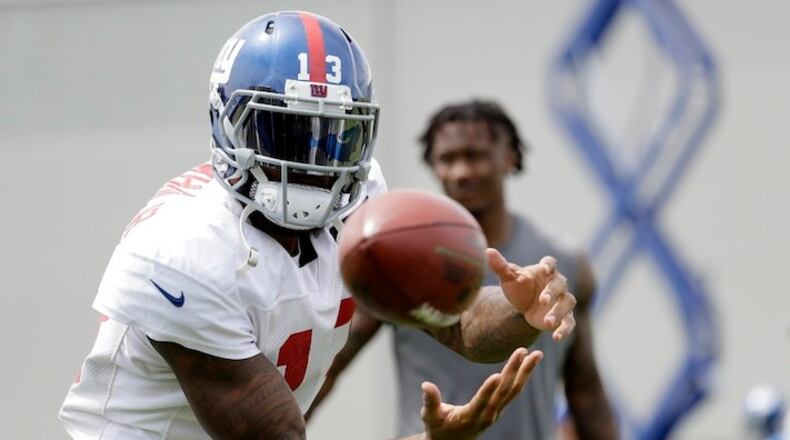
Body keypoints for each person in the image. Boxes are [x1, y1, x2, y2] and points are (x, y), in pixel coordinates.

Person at [58, 13, 579, 440]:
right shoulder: (181, 252)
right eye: (286, 129)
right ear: (228, 122)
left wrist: (520, 308)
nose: (309, 161)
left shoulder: (363, 201)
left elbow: (458, 323)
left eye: (331, 135)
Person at [309, 100, 617, 439]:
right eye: (447, 159)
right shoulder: (397, 262)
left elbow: (586, 391)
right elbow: (327, 367)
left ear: (510, 157)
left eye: (475, 156)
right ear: (432, 166)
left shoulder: (559, 261)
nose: (461, 172)